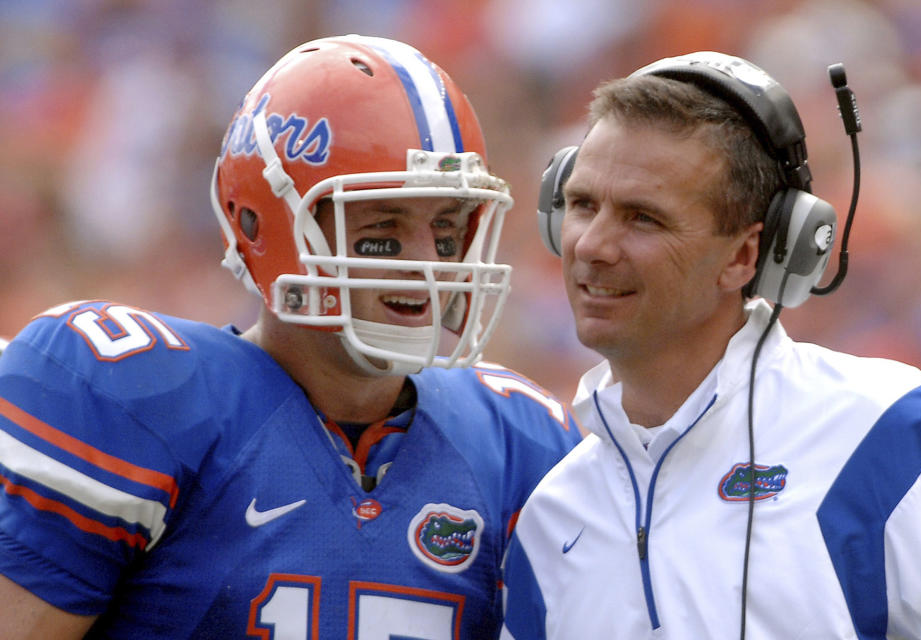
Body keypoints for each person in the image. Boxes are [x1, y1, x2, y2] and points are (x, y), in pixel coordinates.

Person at [0, 35, 581, 638]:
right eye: (384, 226)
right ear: (258, 223)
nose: (425, 261)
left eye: (447, 226)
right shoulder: (129, 399)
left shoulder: (521, 443)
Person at [501, 51, 921, 639]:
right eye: (584, 205)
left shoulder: (893, 435)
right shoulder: (550, 515)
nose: (592, 245)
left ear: (747, 255)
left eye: (643, 218)